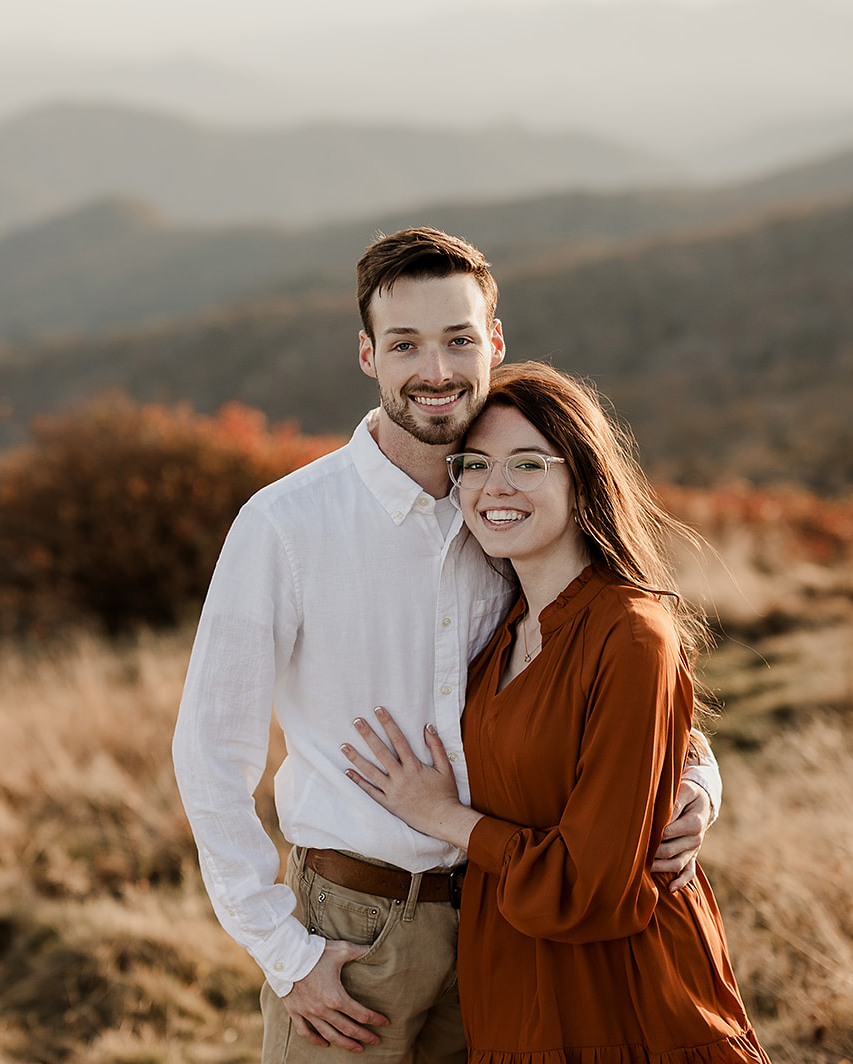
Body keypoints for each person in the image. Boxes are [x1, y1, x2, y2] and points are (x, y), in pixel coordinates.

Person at [171, 228, 723, 1063]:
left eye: (459, 339)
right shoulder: (286, 525)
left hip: (506, 922)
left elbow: (610, 679)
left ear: (494, 342)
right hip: (355, 935)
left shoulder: (507, 518)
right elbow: (212, 752)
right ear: (368, 356)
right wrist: (286, 954)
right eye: (405, 345)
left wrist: (694, 780)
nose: (436, 370)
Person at [341, 361, 769, 1062]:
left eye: (527, 464)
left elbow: (591, 885)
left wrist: (441, 815)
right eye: (474, 465)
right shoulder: (498, 627)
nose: (494, 487)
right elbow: (635, 743)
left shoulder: (631, 633)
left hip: (621, 992)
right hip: (516, 982)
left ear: (583, 478)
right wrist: (698, 775)